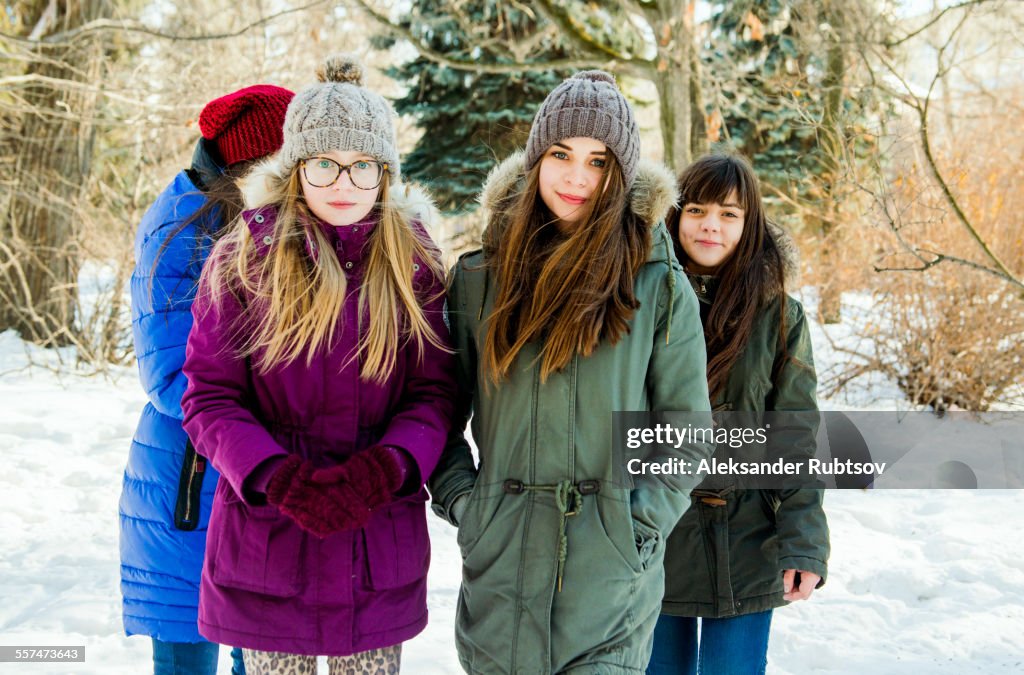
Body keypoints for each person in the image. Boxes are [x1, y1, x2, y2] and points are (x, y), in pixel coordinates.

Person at [428, 71, 714, 674]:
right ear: (536, 159)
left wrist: (635, 526)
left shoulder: (657, 283)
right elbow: (437, 414)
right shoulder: (479, 278)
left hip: (610, 582)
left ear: (620, 172)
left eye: (598, 160)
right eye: (561, 154)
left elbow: (688, 432)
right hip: (501, 572)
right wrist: (465, 503)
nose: (577, 177)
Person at [178, 54, 454, 675]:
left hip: (374, 545)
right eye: (325, 164)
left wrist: (389, 467)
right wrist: (274, 475)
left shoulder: (416, 265)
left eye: (362, 166)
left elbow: (436, 392)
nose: (344, 183)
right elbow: (208, 396)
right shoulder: (243, 256)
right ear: (297, 167)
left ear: (385, 174)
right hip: (268, 544)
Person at [121, 83, 294, 675]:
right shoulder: (182, 227)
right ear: (253, 162)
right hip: (190, 489)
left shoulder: (262, 223)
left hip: (251, 487)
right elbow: (172, 376)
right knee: (186, 661)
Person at [647, 153, 830, 675]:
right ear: (674, 216)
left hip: (749, 541)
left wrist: (805, 541)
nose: (711, 225)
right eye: (697, 209)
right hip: (657, 535)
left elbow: (796, 438)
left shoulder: (779, 315)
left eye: (730, 214)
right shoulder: (640, 303)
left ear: (750, 225)